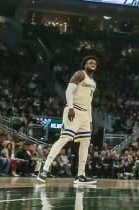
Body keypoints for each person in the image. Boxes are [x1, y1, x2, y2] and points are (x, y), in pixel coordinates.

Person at [36, 57, 98, 185]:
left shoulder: (93, 82)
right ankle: (45, 168)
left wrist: (90, 120)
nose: (93, 64)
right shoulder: (80, 74)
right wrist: (70, 107)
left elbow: (89, 103)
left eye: (95, 63)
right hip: (73, 110)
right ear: (85, 64)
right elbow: (69, 91)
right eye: (90, 62)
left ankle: (80, 175)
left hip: (85, 115)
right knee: (65, 138)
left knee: (86, 142)